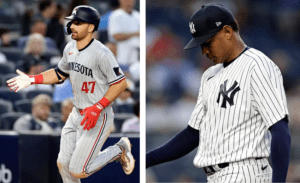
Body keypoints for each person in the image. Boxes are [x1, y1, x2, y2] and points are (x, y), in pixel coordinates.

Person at [146, 4, 291, 183]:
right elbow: (192, 135)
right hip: (216, 175)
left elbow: (280, 129)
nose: (204, 51)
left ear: (228, 32)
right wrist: (147, 160)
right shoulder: (210, 75)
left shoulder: (258, 65)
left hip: (247, 173)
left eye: (207, 43)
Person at [7, 5, 135, 182]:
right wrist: (32, 79)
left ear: (90, 27)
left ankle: (118, 149)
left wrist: (98, 107)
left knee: (78, 170)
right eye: (72, 22)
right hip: (77, 113)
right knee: (63, 164)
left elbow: (120, 83)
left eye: (78, 22)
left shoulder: (102, 53)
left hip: (97, 115)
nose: (72, 26)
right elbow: (59, 73)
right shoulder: (70, 48)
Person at [108, 0, 140, 68]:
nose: (129, 2)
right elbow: (116, 36)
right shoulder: (115, 15)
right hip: (121, 59)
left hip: (136, 58)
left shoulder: (138, 15)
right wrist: (136, 34)